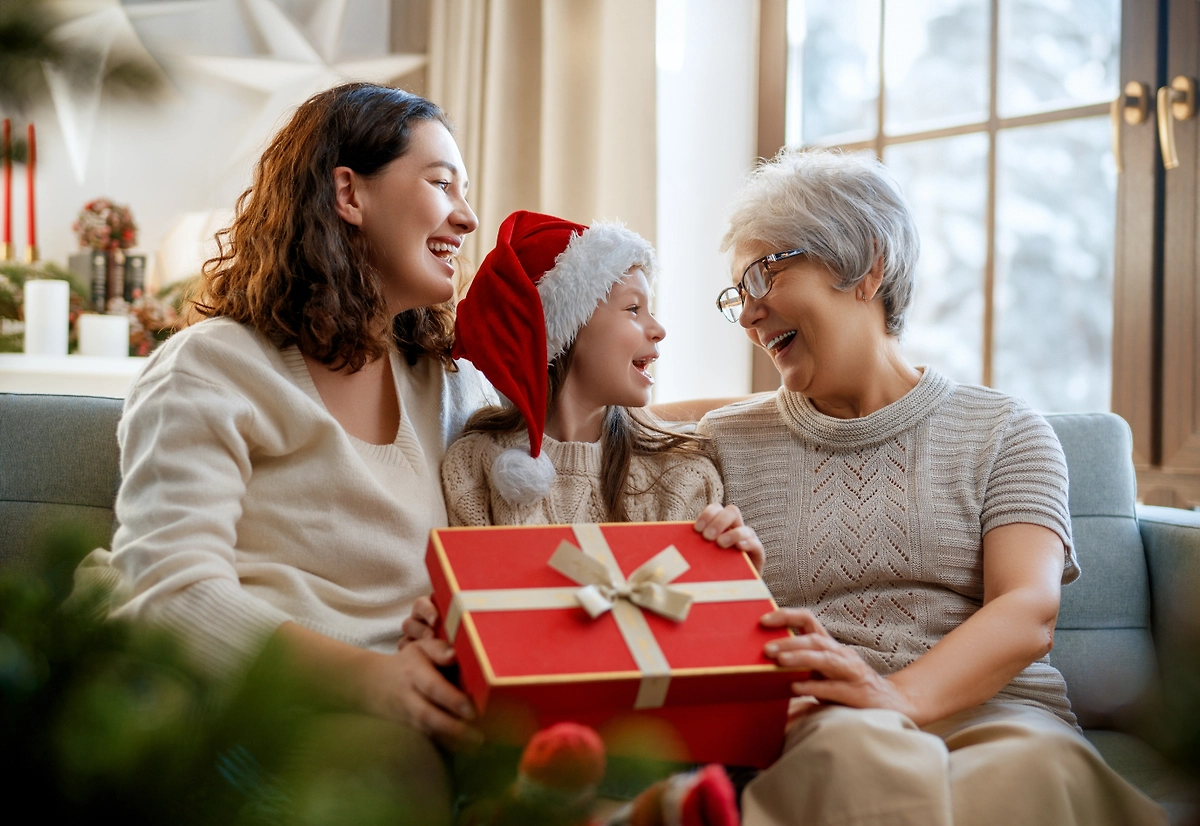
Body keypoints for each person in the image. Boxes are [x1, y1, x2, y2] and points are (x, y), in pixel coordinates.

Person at [691, 149, 1166, 825]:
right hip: (826, 718)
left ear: (868, 265)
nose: (748, 314)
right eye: (738, 292)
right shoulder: (722, 442)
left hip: (1001, 708)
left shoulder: (1005, 429)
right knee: (854, 757)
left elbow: (1027, 608)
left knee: (1032, 768)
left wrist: (901, 696)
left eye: (767, 272)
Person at [82, 84, 497, 819]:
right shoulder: (213, 369)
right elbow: (171, 596)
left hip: (423, 697)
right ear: (349, 193)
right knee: (390, 771)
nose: (467, 216)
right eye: (441, 184)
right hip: (254, 701)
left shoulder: (447, 387)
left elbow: (573, 453)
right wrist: (373, 681)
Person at [436, 209, 760, 559]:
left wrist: (740, 575)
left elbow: (703, 609)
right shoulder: (475, 465)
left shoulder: (684, 475)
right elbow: (477, 605)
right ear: (565, 331)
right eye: (633, 309)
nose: (658, 329)